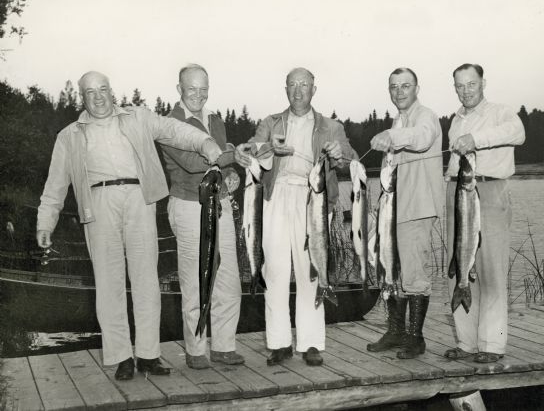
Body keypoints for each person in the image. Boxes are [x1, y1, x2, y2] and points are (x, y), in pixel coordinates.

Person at [36, 71, 222, 380]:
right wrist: (46, 221)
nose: (98, 96)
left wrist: (204, 142)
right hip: (97, 203)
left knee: (146, 279)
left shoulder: (137, 117)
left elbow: (173, 130)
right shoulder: (69, 135)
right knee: (108, 283)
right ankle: (121, 357)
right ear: (82, 98)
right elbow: (55, 184)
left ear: (112, 91)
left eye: (103, 89)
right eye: (90, 92)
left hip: (140, 198)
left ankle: (149, 355)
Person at [234, 67, 356, 367]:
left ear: (314, 89)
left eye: (304, 85)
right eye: (292, 85)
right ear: (285, 89)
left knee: (310, 269)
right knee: (274, 270)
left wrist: (340, 154)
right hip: (275, 198)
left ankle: (311, 343)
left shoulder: (331, 126)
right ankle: (278, 343)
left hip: (312, 199)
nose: (298, 90)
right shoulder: (270, 122)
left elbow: (351, 161)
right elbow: (250, 150)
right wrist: (266, 148)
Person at [160, 64, 244, 369]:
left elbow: (220, 164)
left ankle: (223, 346)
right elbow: (195, 163)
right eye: (192, 88)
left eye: (204, 89)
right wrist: (239, 152)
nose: (198, 95)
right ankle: (196, 350)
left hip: (219, 205)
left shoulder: (215, 121)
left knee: (228, 279)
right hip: (188, 207)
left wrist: (232, 173)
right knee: (195, 280)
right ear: (179, 88)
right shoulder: (169, 123)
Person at [444, 63, 525, 363]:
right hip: (458, 193)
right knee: (458, 267)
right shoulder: (455, 119)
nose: (466, 91)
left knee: (491, 271)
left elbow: (518, 133)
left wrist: (475, 141)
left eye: (471, 84)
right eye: (459, 86)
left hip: (488, 193)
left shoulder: (501, 112)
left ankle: (492, 344)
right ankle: (466, 343)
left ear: (483, 83)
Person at [368, 68, 444, 358]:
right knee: (392, 271)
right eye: (394, 87)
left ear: (417, 88)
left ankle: (416, 338)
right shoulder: (399, 119)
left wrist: (391, 134)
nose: (399, 92)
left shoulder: (426, 116)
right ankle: (397, 331)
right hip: (396, 207)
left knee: (414, 274)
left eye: (405, 86)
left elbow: (422, 138)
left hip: (418, 207)